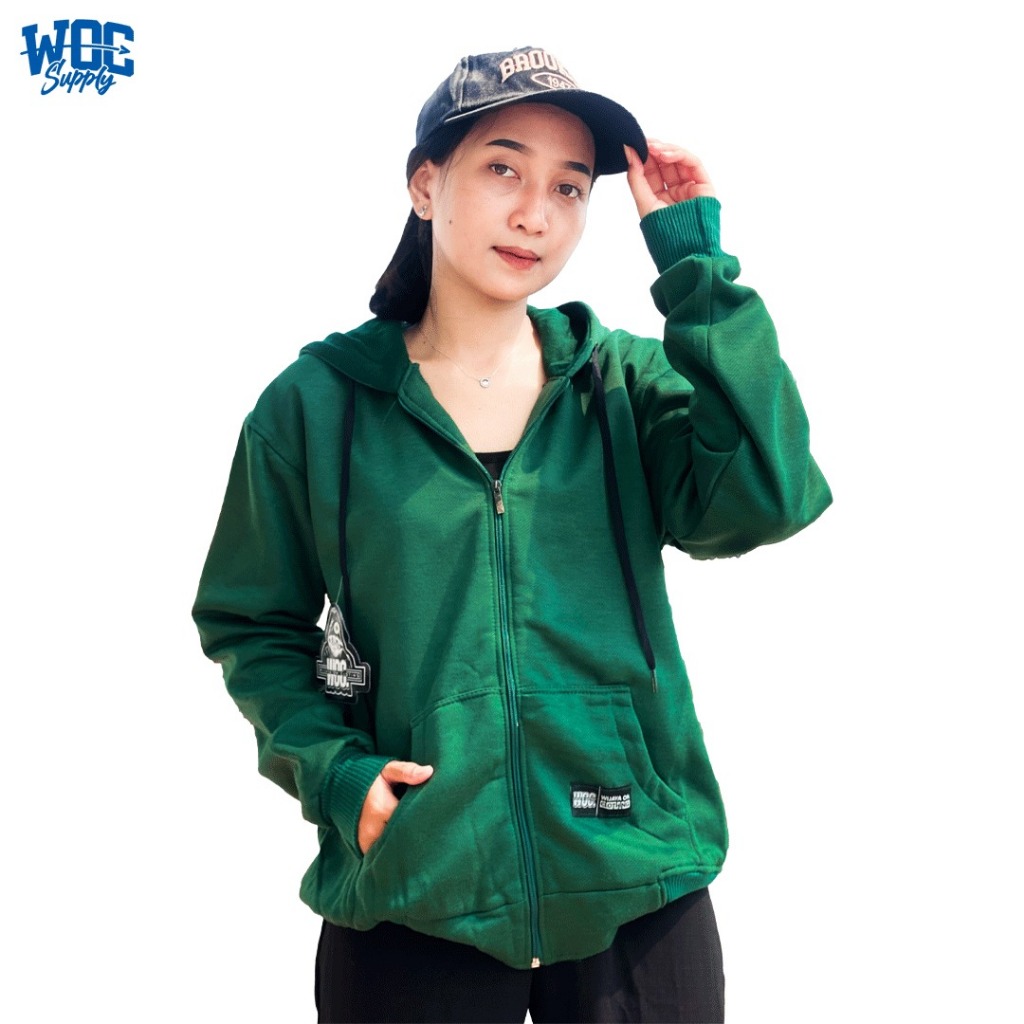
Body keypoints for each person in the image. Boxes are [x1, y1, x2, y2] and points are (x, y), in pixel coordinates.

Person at [193, 45, 832, 1023]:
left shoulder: (624, 387)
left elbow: (770, 493)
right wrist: (336, 773)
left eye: (569, 187)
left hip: (634, 873)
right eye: (503, 168)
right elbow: (251, 620)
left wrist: (695, 268)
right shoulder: (318, 407)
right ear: (425, 184)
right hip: (416, 885)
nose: (537, 213)